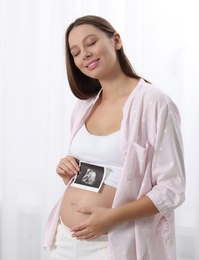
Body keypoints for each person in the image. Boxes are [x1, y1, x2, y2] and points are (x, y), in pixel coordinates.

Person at [44, 15, 186, 260]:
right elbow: (100, 172)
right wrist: (67, 173)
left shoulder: (153, 102)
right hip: (65, 240)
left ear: (116, 41)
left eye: (91, 43)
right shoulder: (84, 106)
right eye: (76, 52)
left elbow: (171, 189)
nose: (84, 55)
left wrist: (111, 217)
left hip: (114, 242)